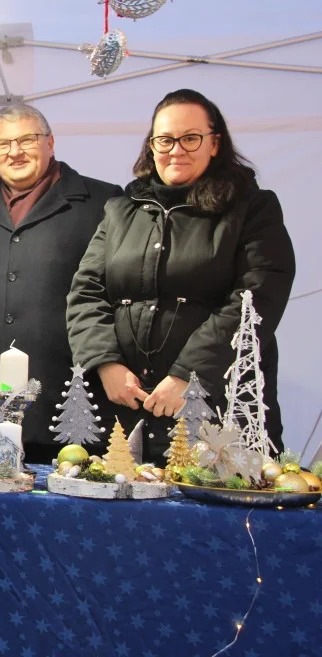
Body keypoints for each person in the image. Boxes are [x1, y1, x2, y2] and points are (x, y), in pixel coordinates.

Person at [67, 88, 296, 463]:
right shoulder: (120, 210)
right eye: (165, 139)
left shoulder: (252, 208)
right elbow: (85, 292)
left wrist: (190, 377)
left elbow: (255, 297)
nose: (176, 150)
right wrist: (105, 363)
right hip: (125, 408)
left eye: (190, 138)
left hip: (214, 411)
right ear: (151, 145)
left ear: (215, 143)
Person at [0, 104, 122, 464]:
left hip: (70, 395)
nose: (15, 151)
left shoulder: (102, 202)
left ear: (51, 142)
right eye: (3, 144)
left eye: (26, 139)